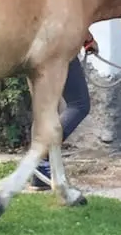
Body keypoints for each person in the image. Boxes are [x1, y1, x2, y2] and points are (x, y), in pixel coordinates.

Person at [30, 30, 98, 189]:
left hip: (37, 43)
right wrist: (87, 38)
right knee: (79, 104)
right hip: (58, 43)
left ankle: (39, 171)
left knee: (46, 107)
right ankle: (40, 160)